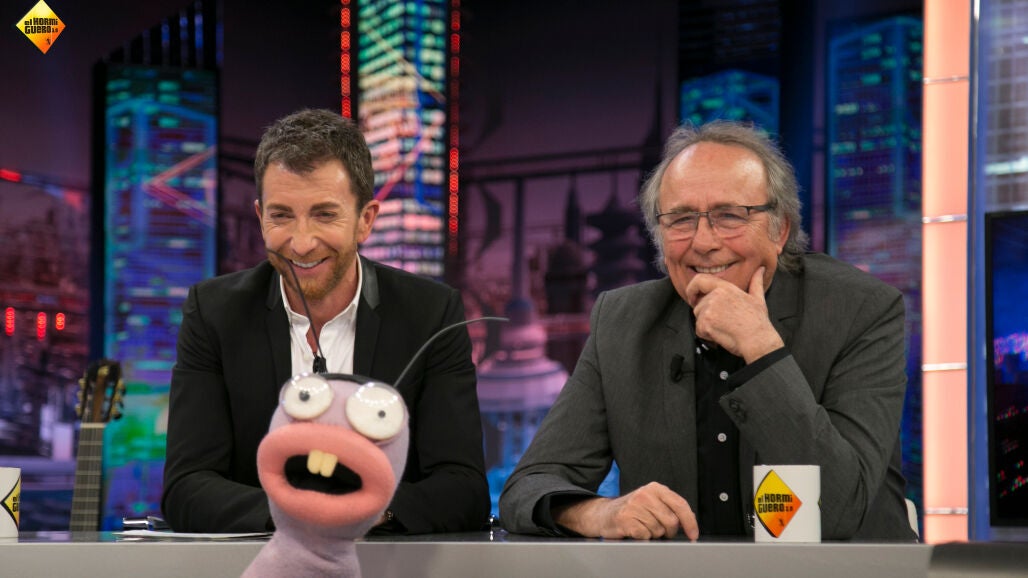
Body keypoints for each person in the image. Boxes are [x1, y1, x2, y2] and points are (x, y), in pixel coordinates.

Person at [499, 120, 916, 542]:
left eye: (729, 216)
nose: (703, 242)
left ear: (780, 230)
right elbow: (527, 488)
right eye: (680, 220)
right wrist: (601, 513)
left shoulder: (860, 310)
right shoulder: (623, 322)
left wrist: (761, 349)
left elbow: (841, 512)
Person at [161, 108, 490, 534]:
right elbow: (186, 487)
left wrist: (364, 512)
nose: (301, 243)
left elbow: (463, 488)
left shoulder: (431, 313)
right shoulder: (213, 312)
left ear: (365, 220)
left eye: (324, 214)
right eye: (281, 216)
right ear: (260, 217)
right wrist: (299, 514)